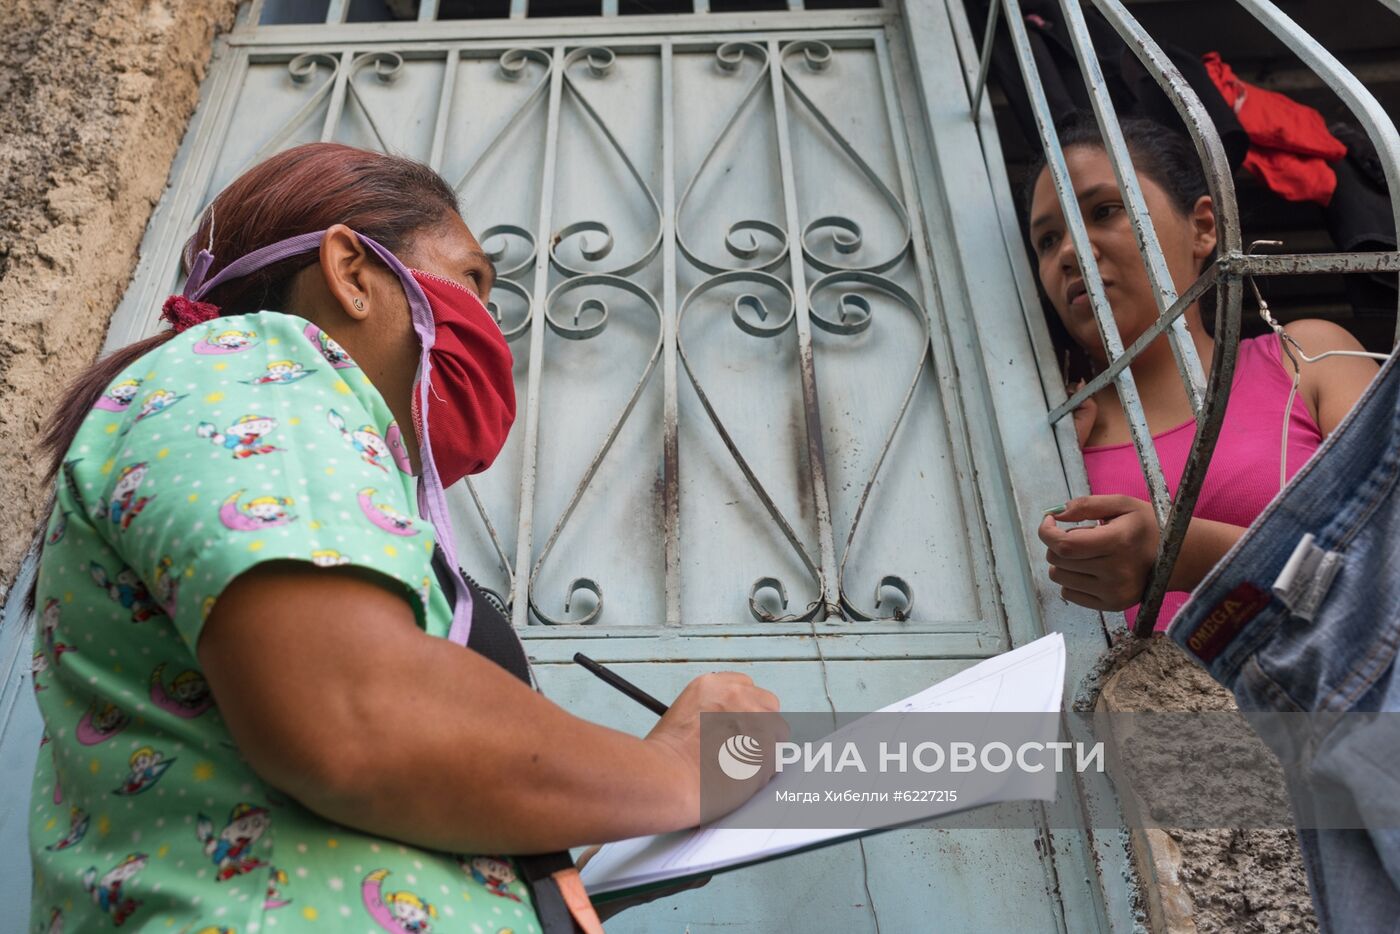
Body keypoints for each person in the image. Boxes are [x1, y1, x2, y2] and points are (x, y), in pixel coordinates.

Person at [29, 142, 783, 932]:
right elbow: (354, 714)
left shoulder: (329, 492)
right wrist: (677, 769)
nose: (491, 324)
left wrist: (580, 886)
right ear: (352, 273)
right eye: (472, 281)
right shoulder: (252, 366)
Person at [1028, 115, 1379, 631]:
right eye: (1046, 240)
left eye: (1104, 211)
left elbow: (1388, 560)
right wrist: (1044, 467)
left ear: (1204, 227)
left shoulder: (1305, 359)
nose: (1068, 251)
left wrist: (1184, 555)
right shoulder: (1050, 444)